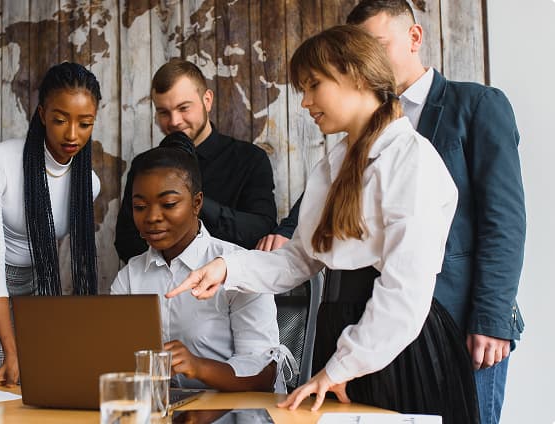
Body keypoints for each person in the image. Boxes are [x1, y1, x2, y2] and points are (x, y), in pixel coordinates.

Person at [167, 25, 480, 422]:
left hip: (398, 348)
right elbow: (298, 260)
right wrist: (228, 268)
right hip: (337, 336)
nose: (304, 102)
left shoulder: (411, 160)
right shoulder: (332, 166)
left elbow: (405, 291)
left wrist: (340, 368)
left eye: (313, 85)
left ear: (358, 76)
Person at [345, 2, 526, 422]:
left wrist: (492, 317)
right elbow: (330, 195)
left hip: (464, 321)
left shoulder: (478, 105)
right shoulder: (365, 121)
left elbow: (505, 221)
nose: (366, 63)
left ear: (414, 38)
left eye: (377, 46)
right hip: (387, 324)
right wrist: (284, 231)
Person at [0, 62, 101, 387]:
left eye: (85, 123)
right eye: (60, 120)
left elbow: (45, 246)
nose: (72, 134)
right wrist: (12, 351)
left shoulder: (89, 184)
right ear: (42, 114)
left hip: (34, 287)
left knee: (38, 393)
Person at [111, 132, 293, 393]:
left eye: (169, 204)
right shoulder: (130, 277)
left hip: (233, 413)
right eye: (140, 207)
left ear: (197, 203)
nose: (151, 217)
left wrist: (199, 367)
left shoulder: (240, 268)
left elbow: (264, 373)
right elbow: (116, 360)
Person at [115, 59, 283, 261]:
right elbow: (126, 242)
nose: (175, 121)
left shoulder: (250, 159)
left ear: (207, 100)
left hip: (230, 286)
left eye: (183, 108)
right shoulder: (144, 165)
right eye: (163, 112)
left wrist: (187, 200)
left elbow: (260, 232)